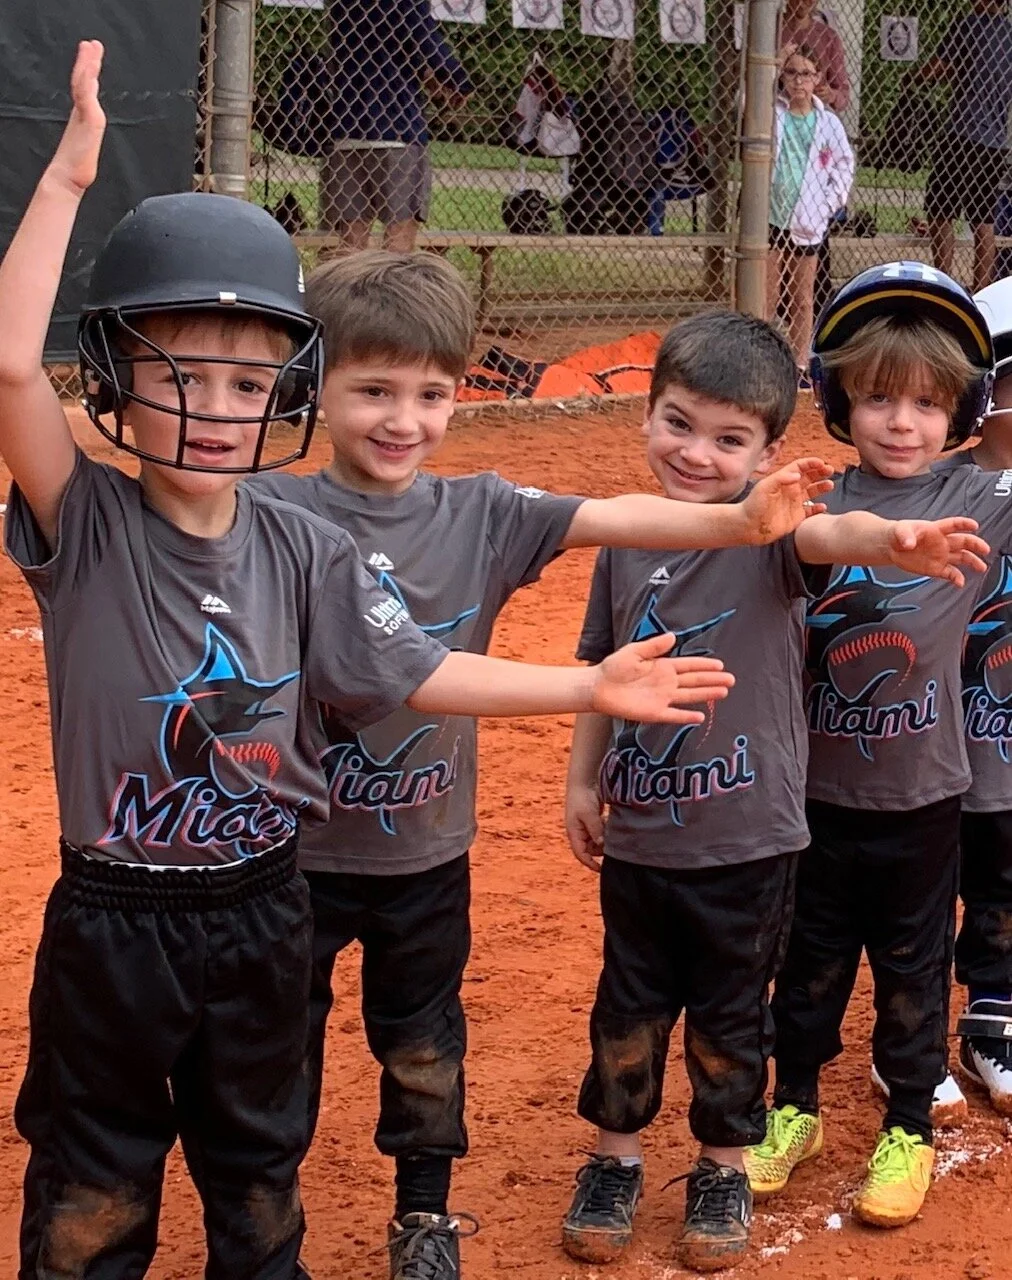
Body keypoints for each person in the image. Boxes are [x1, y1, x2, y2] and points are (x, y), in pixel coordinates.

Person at [0, 43, 755, 1279]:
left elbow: (417, 672)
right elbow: (9, 366)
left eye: (248, 383)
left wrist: (587, 684)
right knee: (94, 1175)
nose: (216, 409)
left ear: (285, 394)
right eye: (180, 378)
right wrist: (69, 177)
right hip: (116, 914)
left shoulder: (303, 542)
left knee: (259, 1163)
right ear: (116, 384)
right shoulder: (86, 521)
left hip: (261, 897)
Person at [248, 250, 845, 1278]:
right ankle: (264, 1230)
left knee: (424, 1047)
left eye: (430, 394)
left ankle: (424, 1215)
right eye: (373, 390)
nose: (402, 419)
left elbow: (607, 515)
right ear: (316, 388)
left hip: (426, 854)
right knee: (271, 1053)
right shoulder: (272, 512)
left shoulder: (479, 507)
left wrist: (741, 521)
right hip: (290, 854)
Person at [557, 312, 988, 1274]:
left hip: (798, 827)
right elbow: (599, 671)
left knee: (801, 997)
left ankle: (808, 1146)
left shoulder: (778, 531)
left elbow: (838, 530)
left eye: (729, 439)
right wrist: (582, 778)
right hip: (678, 831)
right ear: (645, 416)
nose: (695, 453)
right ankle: (664, 1147)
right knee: (671, 1000)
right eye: (678, 424)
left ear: (767, 453)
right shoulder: (625, 538)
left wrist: (897, 539)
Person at [743, 262, 1012, 1232]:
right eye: (878, 399)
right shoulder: (809, 500)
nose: (902, 423)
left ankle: (907, 1126)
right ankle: (794, 1106)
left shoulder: (983, 496)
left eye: (928, 404)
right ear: (839, 401)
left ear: (963, 412)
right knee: (806, 961)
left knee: (911, 969)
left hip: (924, 797)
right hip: (810, 795)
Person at [930, 275, 1012, 1118]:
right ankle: (909, 1034)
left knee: (1005, 886)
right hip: (934, 748)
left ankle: (994, 1017)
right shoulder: (935, 490)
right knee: (919, 890)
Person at [322, 0, 473, 252]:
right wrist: (458, 80)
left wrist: (424, 73)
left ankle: (347, 277)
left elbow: (378, 43)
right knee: (399, 239)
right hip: (396, 128)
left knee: (351, 241)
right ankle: (392, 278)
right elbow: (423, 37)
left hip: (347, 127)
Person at [767, 46, 854, 379]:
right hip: (774, 214)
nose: (798, 81)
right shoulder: (773, 112)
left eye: (806, 74)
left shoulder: (828, 122)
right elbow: (744, 102)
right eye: (791, 73)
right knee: (768, 293)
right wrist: (775, 62)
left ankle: (800, 362)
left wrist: (829, 203)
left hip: (809, 217)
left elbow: (844, 165)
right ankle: (762, 356)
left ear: (817, 78)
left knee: (802, 297)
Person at [918, 0, 1012, 293]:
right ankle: (981, 289)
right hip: (995, 140)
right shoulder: (1009, 34)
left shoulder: (967, 24)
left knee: (940, 209)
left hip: (962, 133)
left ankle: (944, 282)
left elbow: (939, 67)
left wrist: (916, 76)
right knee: (983, 218)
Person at [779, 0, 850, 113]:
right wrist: (777, 61)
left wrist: (831, 95)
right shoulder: (770, 29)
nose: (802, 2)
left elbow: (843, 94)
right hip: (777, 107)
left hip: (814, 111)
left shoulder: (828, 37)